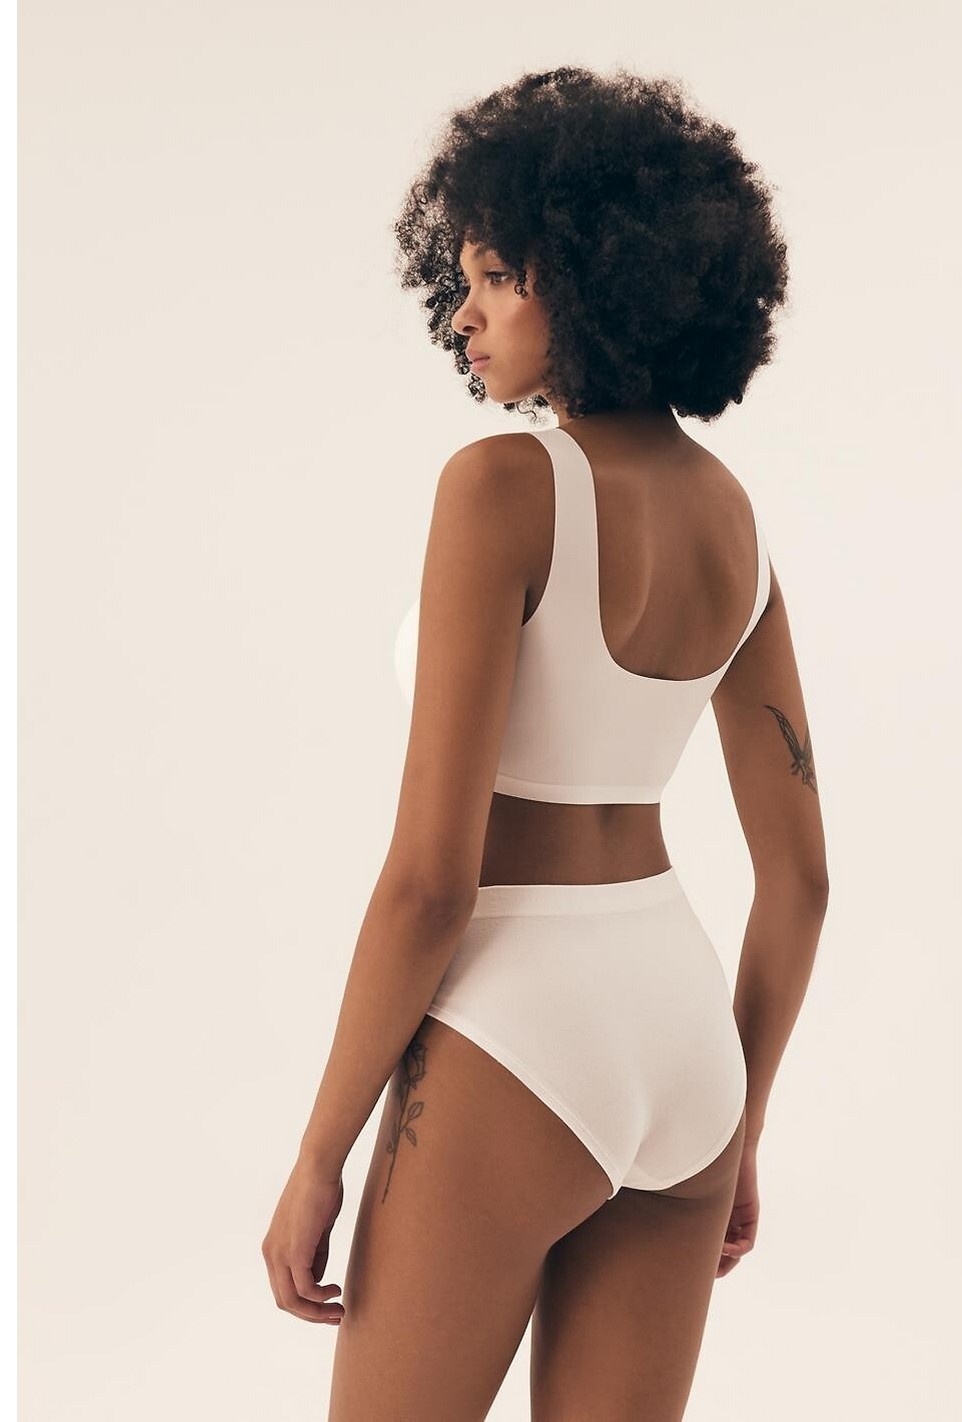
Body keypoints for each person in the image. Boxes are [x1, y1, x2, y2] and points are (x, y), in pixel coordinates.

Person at [262, 65, 829, 1421]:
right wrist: (737, 1121)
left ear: (590, 280)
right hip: (685, 1041)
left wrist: (320, 1150)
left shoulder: (503, 488)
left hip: (515, 1025)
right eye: (461, 280)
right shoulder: (735, 524)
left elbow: (430, 883)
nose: (464, 313)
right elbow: (803, 883)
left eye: (498, 276)